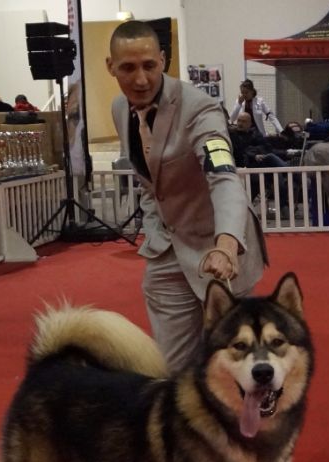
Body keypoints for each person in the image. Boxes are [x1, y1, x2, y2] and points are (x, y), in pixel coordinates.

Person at [106, 20, 267, 372]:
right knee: (170, 368)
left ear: (163, 60)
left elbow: (224, 178)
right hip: (166, 251)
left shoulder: (200, 109)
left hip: (220, 253)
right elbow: (152, 181)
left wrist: (225, 244)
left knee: (236, 366)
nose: (141, 79)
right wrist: (154, 225)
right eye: (128, 68)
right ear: (111, 67)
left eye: (149, 65)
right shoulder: (120, 108)